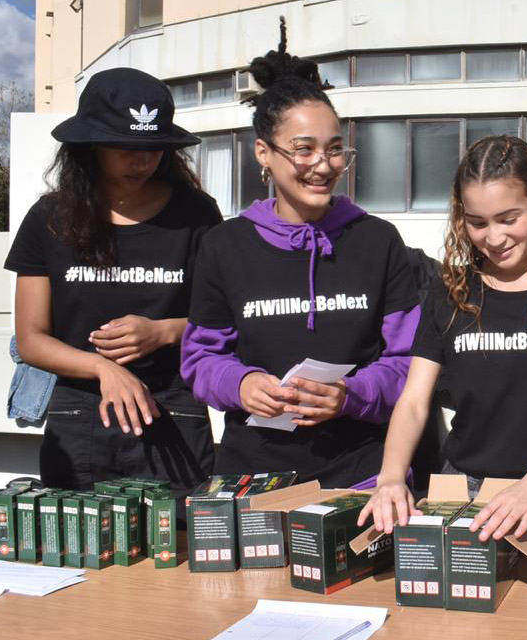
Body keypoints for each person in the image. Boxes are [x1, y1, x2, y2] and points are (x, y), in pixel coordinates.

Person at [181, 23, 419, 487]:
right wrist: (243, 384)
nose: (323, 166)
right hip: (254, 479)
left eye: (335, 150)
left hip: (365, 478)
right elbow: (201, 358)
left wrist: (351, 394)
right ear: (263, 155)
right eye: (303, 150)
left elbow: (409, 361)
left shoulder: (378, 241)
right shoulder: (224, 246)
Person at [358, 135, 527, 540]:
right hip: (464, 492)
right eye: (478, 223)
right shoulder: (450, 291)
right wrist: (390, 476)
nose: (494, 238)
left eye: (509, 219)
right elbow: (414, 401)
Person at [5, 67, 220, 496]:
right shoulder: (49, 219)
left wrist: (161, 332)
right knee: (79, 553)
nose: (141, 160)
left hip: (173, 412)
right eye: (125, 147)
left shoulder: (197, 214)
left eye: (154, 148)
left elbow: (224, 319)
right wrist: (102, 368)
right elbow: (30, 339)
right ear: (89, 145)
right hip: (79, 416)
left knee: (174, 553)